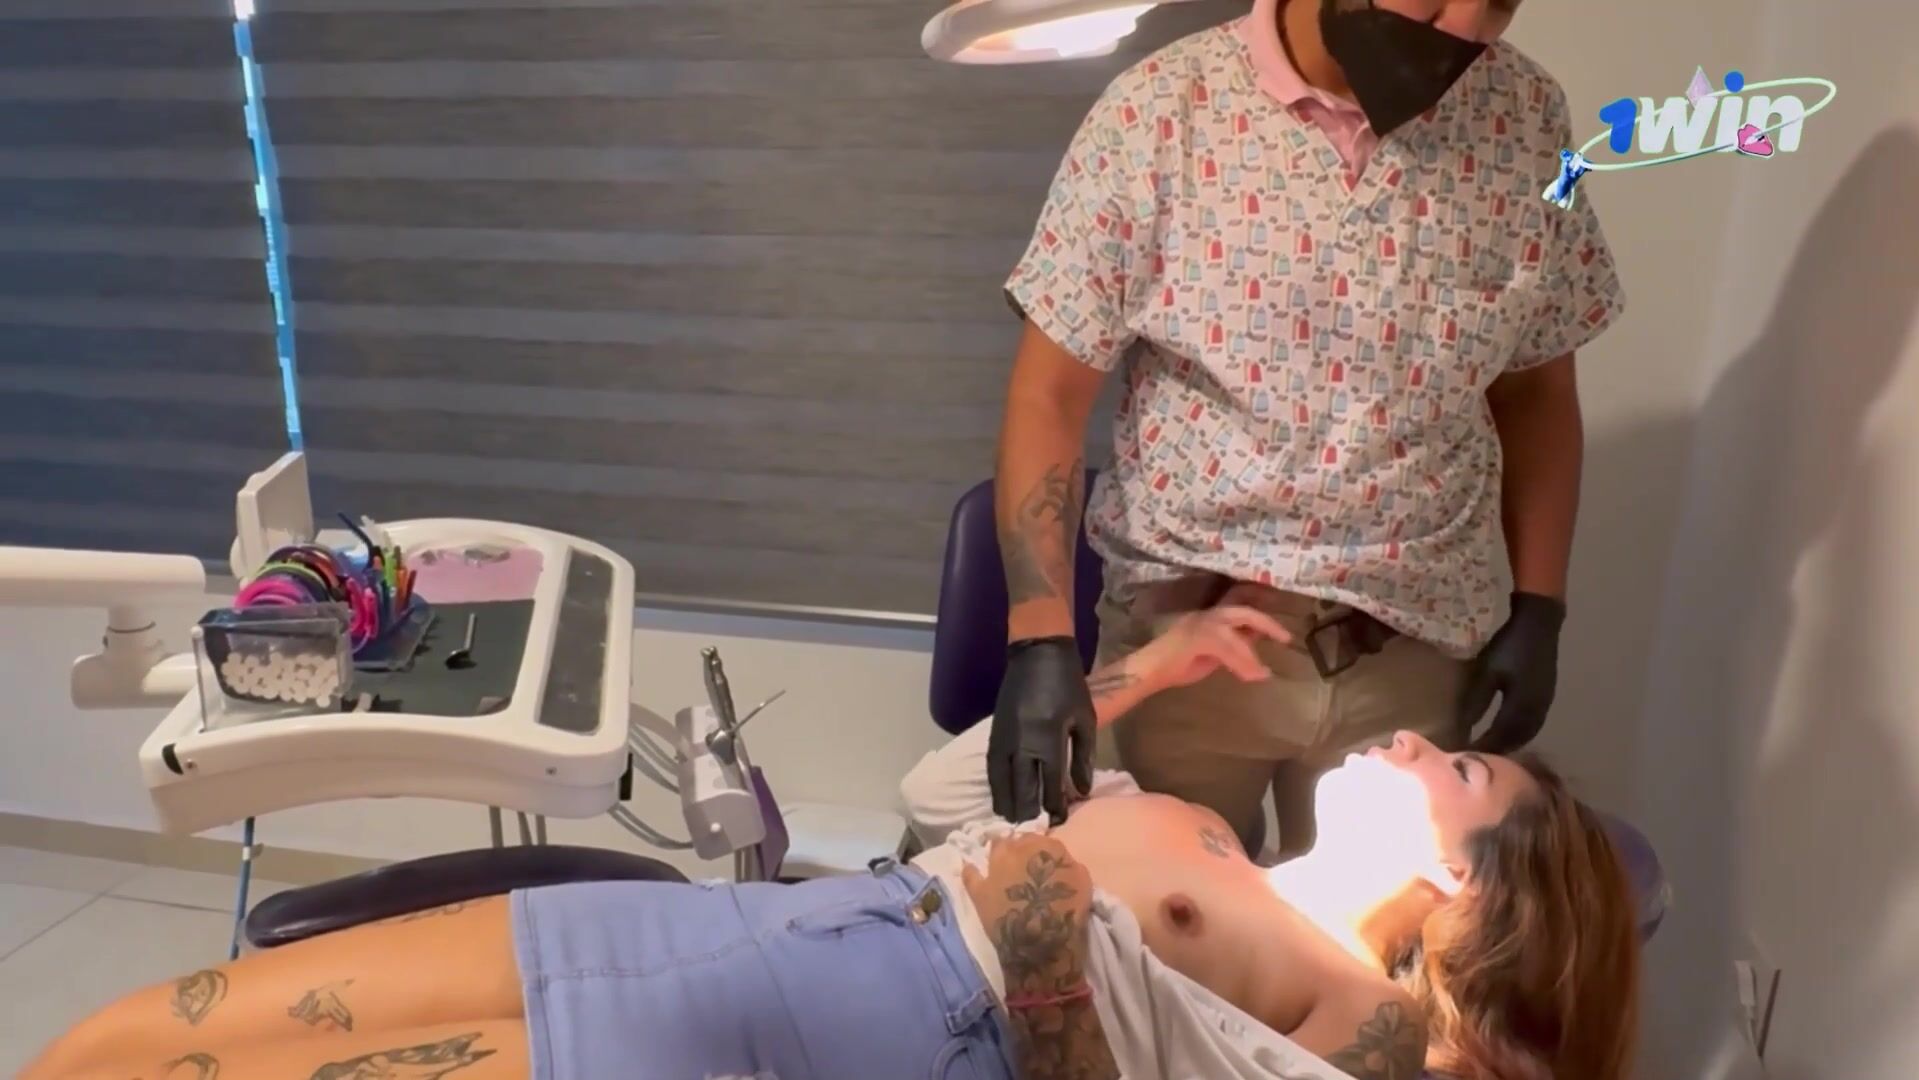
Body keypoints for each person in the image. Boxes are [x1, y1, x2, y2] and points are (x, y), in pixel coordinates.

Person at [26, 601, 1638, 1080]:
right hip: (756, 931)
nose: (1415, 742)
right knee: (123, 1040)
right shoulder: (1207, 831)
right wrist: (1140, 677)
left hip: (810, 1038)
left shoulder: (1356, 1025)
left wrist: (1053, 994)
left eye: (1461, 773)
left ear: (1467, 883)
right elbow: (945, 801)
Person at [987, 0, 1627, 862]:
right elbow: (1050, 396)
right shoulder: (1160, 112)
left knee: (1376, 933)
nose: (1466, 29)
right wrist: (1040, 639)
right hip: (1196, 642)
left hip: (1416, 648)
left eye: (1499, 3)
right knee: (1164, 925)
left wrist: (1540, 607)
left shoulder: (1526, 118)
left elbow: (1538, 388)